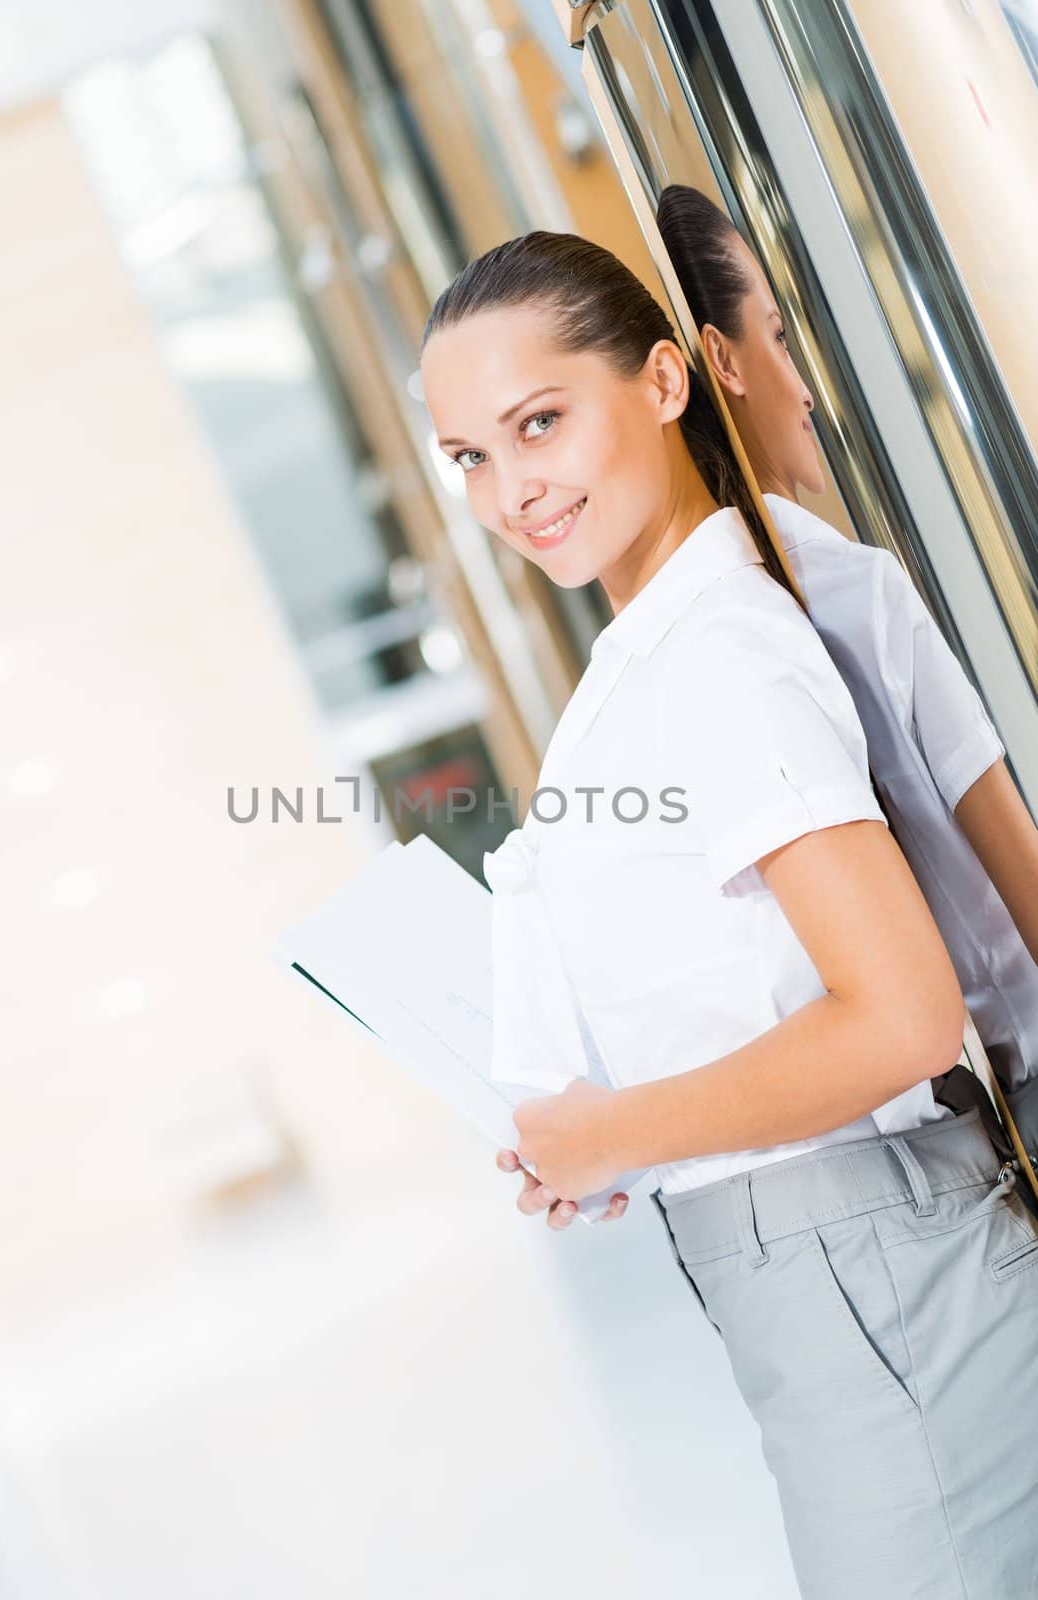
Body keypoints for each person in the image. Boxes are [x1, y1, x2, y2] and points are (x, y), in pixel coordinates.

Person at [418, 229, 1038, 1599]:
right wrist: (601, 1137)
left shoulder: (718, 650)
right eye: (470, 457)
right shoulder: (662, 646)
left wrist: (609, 1133)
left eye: (538, 424)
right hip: (821, 1271)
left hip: (871, 1279)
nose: (512, 489)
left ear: (660, 383)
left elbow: (901, 1010)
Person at [655, 180, 1038, 1175]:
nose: (807, 385)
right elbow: (1021, 875)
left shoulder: (700, 628)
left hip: (927, 1141)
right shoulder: (853, 591)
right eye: (777, 337)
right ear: (721, 361)